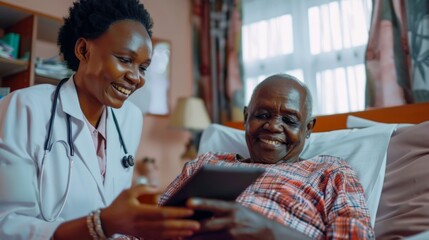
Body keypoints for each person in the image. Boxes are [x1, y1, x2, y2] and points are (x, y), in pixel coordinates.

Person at [0, 0, 200, 239]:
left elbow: (115, 209)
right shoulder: (25, 107)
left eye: (143, 67)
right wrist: (100, 225)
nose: (136, 78)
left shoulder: (130, 118)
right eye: (125, 60)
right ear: (84, 50)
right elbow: (8, 224)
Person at [159, 74, 375, 239]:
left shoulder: (330, 173)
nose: (272, 126)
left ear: (308, 128)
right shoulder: (205, 164)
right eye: (262, 115)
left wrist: (269, 231)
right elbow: (148, 225)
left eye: (289, 120)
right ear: (246, 117)